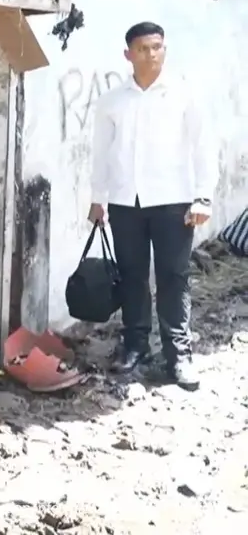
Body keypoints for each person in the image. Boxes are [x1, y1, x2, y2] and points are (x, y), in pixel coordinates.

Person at [88, 21, 217, 390]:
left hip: (173, 203)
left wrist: (203, 197)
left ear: (165, 50)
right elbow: (102, 154)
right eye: (143, 48)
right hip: (126, 202)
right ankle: (135, 346)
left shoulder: (183, 94)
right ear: (128, 54)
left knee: (173, 277)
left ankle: (179, 355)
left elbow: (203, 147)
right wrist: (98, 198)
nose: (151, 54)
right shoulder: (112, 101)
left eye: (157, 47)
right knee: (132, 276)